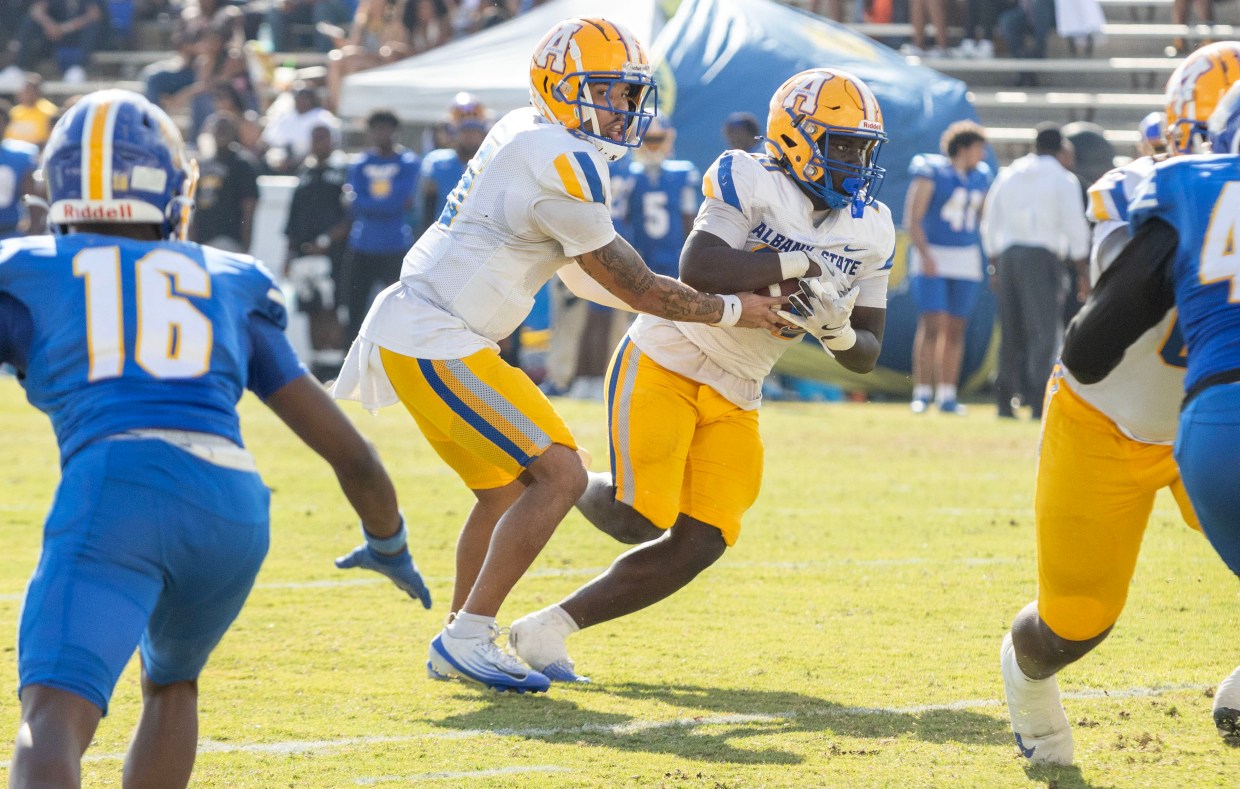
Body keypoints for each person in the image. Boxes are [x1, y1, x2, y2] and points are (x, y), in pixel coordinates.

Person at [331, 16, 786, 693]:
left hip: (429, 331)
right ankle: (467, 635)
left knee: (506, 490)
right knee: (562, 473)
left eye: (628, 94)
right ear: (561, 88)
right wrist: (729, 310)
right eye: (607, 91)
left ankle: (463, 632)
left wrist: (687, 311)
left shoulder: (531, 134)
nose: (622, 108)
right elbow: (633, 281)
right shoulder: (558, 158)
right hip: (437, 338)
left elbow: (582, 274)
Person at [0, 89, 430, 787]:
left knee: (52, 713)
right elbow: (355, 455)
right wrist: (389, 543)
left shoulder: (30, 269)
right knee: (172, 683)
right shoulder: (228, 279)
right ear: (171, 187)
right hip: (233, 507)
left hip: (119, 484)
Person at [508, 67, 894, 683]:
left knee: (704, 538)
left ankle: (548, 627)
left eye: (861, 147)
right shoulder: (749, 175)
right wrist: (801, 261)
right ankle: (566, 474)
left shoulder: (873, 227)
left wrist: (836, 331)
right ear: (795, 136)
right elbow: (701, 266)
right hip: (672, 353)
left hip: (740, 387)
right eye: (840, 143)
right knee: (639, 517)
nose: (853, 160)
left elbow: (868, 350)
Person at [1001, 42, 1240, 766]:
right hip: (1110, 420)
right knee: (1076, 622)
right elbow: (1090, 343)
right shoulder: (1141, 193)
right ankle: (1028, 690)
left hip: (1219, 412)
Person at [980, 123, 1090, 420]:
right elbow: (1075, 225)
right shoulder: (1062, 179)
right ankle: (1037, 399)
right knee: (1043, 331)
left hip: (1008, 255)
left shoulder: (1010, 173)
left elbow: (990, 218)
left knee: (1011, 330)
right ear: (1060, 147)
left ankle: (1004, 399)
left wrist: (994, 263)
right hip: (1041, 257)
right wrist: (1083, 270)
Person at [905, 120, 991, 415]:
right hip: (934, 253)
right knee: (932, 323)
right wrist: (925, 254)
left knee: (956, 327)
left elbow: (983, 219)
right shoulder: (931, 171)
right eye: (979, 148)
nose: (983, 155)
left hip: (965, 255)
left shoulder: (981, 176)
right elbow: (913, 218)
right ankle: (922, 392)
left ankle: (947, 394)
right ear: (965, 148)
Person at [342, 108, 419, 346]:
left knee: (399, 310)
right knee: (354, 310)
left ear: (396, 130)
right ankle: (349, 363)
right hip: (362, 245)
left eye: (386, 127)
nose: (381, 133)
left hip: (394, 245)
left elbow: (402, 201)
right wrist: (385, 203)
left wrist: (368, 203)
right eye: (377, 128)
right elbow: (353, 204)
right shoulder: (360, 163)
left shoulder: (408, 162)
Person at [284, 123, 351, 380]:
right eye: (314, 137)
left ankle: (335, 362)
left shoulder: (341, 171)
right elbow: (293, 217)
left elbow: (349, 215)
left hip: (331, 253)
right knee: (310, 308)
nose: (318, 142)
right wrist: (288, 255)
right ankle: (318, 363)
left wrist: (327, 240)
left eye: (323, 137)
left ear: (332, 141)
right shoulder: (304, 171)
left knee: (330, 308)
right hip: (303, 252)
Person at [188, 112, 261, 253]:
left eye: (225, 129)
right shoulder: (203, 164)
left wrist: (246, 243)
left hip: (228, 239)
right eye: (218, 129)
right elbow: (194, 204)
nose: (221, 133)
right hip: (202, 240)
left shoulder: (242, 163)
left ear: (234, 133)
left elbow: (249, 205)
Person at [0, 100, 39, 241]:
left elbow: (30, 195)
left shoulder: (21, 156)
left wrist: (33, 229)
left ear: (6, 124)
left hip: (9, 232)